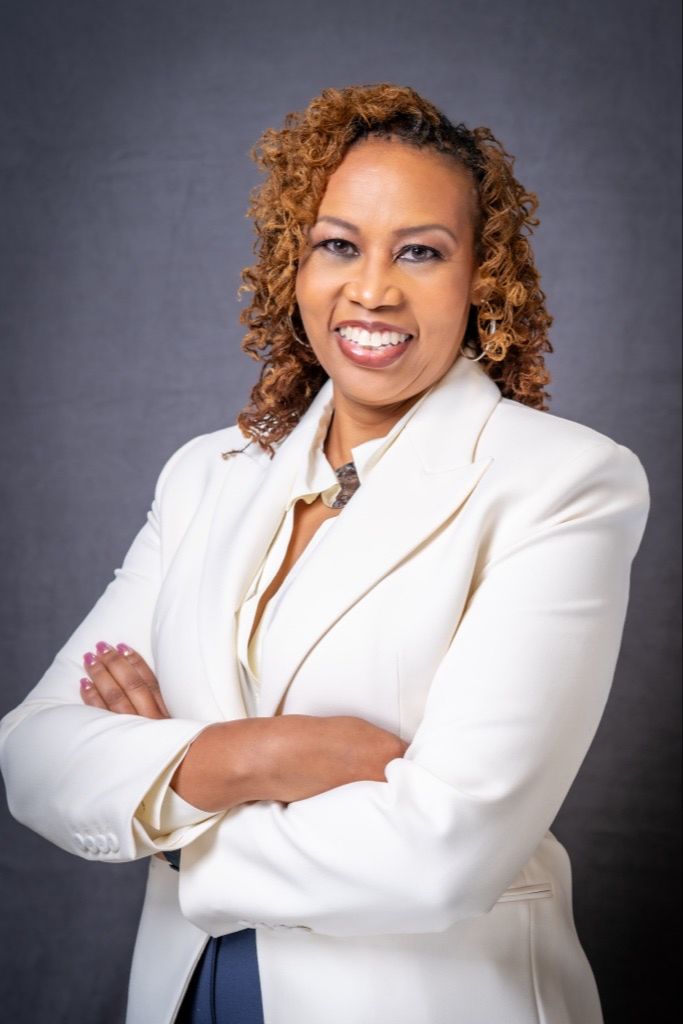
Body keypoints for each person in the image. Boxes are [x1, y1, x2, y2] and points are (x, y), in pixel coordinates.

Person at [0, 83, 650, 1024]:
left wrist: (168, 817)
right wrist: (261, 756)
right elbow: (33, 753)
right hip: (186, 991)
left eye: (420, 251)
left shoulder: (563, 481)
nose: (372, 289)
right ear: (291, 267)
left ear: (482, 278)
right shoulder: (207, 474)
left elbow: (443, 854)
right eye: (338, 245)